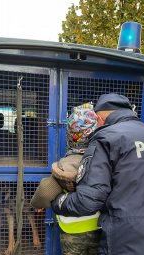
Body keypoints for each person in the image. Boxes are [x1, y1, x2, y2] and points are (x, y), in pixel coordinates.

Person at [51, 93, 144, 255]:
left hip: (128, 243)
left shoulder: (106, 138)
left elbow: (87, 201)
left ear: (101, 118)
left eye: (97, 121)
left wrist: (57, 201)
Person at [31, 103, 101, 255]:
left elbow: (44, 191)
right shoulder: (102, 162)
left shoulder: (64, 164)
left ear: (69, 135)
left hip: (72, 229)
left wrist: (38, 204)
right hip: (98, 226)